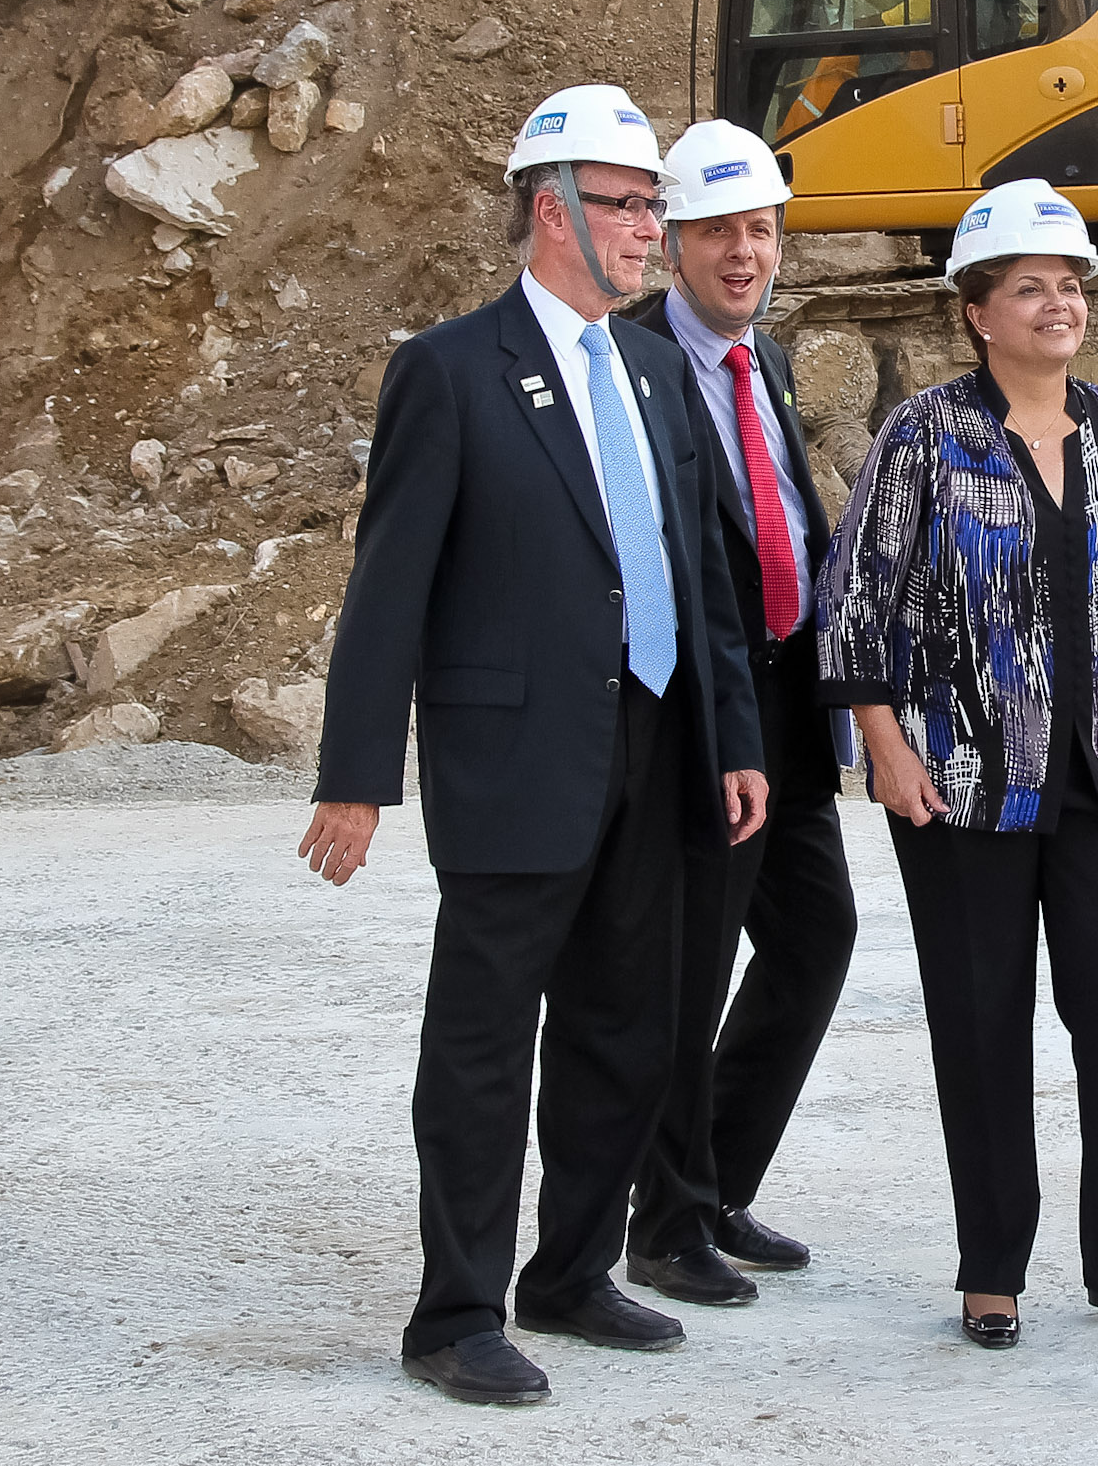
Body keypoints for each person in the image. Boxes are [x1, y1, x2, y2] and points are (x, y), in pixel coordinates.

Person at [299, 84, 765, 1406]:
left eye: (651, 206)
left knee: (626, 1026)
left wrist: (729, 734)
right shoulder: (449, 372)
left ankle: (571, 1269)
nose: (650, 230)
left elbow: (700, 575)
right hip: (516, 753)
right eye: (629, 205)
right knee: (485, 1041)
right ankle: (455, 1312)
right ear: (552, 210)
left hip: (658, 737)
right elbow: (388, 589)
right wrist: (353, 777)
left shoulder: (661, 370)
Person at [816, 178, 1098, 1349]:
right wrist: (882, 747)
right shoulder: (925, 434)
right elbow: (855, 600)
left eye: (1070, 283)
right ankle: (990, 1266)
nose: (1058, 302)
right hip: (959, 784)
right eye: (1030, 286)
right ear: (976, 313)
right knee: (980, 1024)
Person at [618, 118, 860, 1307]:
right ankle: (659, 1226)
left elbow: (783, 528)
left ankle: (710, 1188)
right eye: (717, 230)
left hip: (784, 698)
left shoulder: (760, 362)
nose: (742, 252)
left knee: (816, 936)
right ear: (672, 239)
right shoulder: (628, 362)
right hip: (702, 716)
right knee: (691, 967)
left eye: (759, 230)